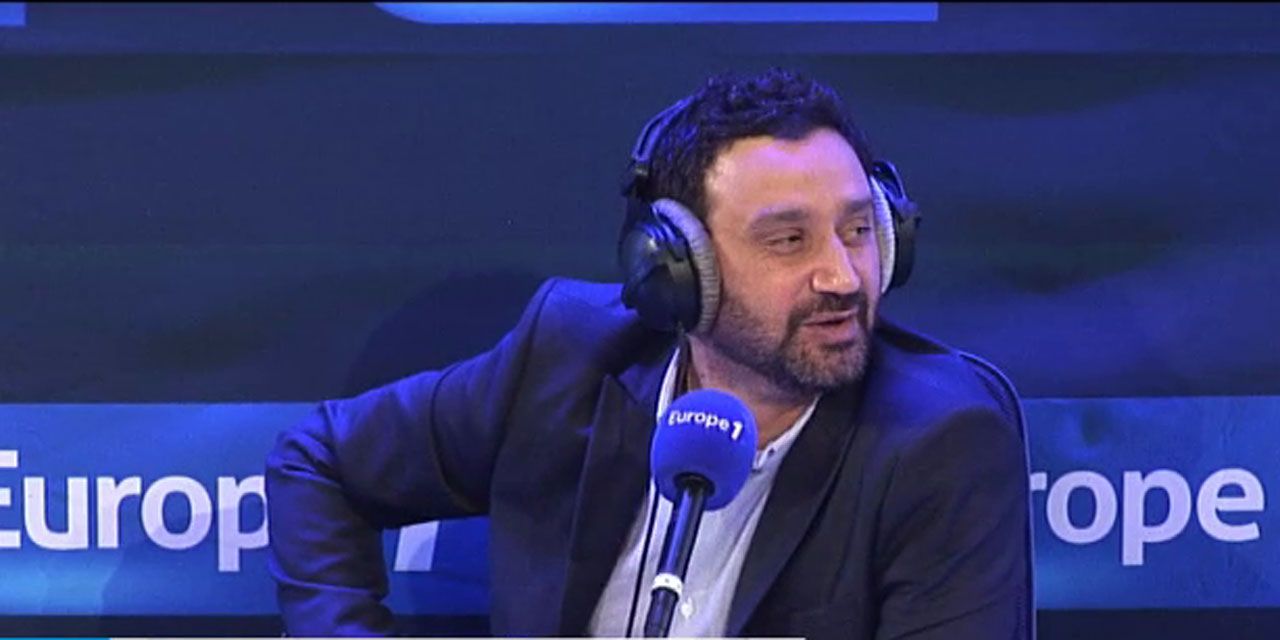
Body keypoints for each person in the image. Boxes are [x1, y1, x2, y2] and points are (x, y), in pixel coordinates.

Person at [265, 67, 1034, 639]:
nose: (842, 276)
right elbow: (319, 462)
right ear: (678, 268)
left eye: (859, 230)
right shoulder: (566, 357)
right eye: (788, 240)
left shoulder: (940, 440)